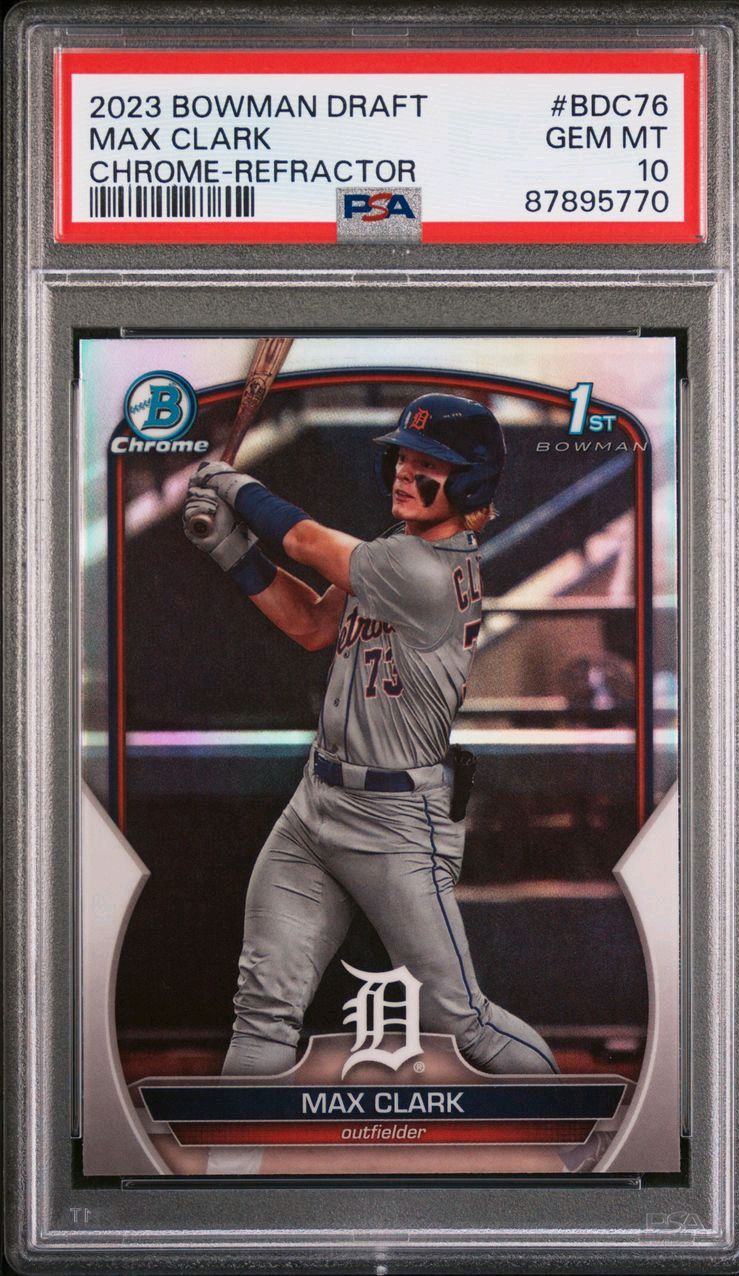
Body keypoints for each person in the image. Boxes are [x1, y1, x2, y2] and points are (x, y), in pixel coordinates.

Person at [183, 392, 558, 1080]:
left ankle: (573, 1128)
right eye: (403, 458)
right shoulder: (395, 551)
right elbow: (311, 625)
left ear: (470, 483)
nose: (404, 472)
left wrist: (235, 487)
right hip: (316, 805)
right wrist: (231, 550)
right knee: (263, 1010)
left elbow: (303, 541)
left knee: (464, 1025)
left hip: (398, 821)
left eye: (428, 464)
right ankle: (234, 1151)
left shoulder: (429, 571)